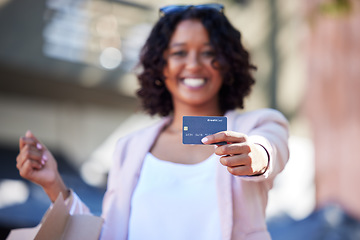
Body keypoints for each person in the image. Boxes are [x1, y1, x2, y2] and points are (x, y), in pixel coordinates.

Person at [16, 4, 289, 240]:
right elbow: (108, 233)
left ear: (228, 64)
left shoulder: (254, 127)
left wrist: (257, 156)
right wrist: (54, 185)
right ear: (161, 66)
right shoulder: (130, 147)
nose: (193, 64)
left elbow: (271, 149)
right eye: (179, 52)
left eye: (209, 53)